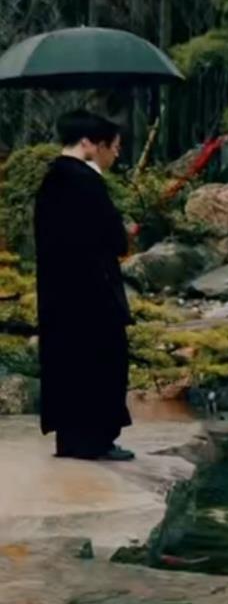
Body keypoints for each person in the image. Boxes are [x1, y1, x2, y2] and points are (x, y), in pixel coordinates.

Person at [34, 109, 135, 461]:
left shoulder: (51, 181)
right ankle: (95, 440)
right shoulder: (86, 182)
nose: (115, 154)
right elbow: (112, 239)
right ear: (90, 144)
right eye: (113, 146)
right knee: (102, 362)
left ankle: (72, 440)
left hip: (58, 293)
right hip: (92, 293)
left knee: (66, 363)